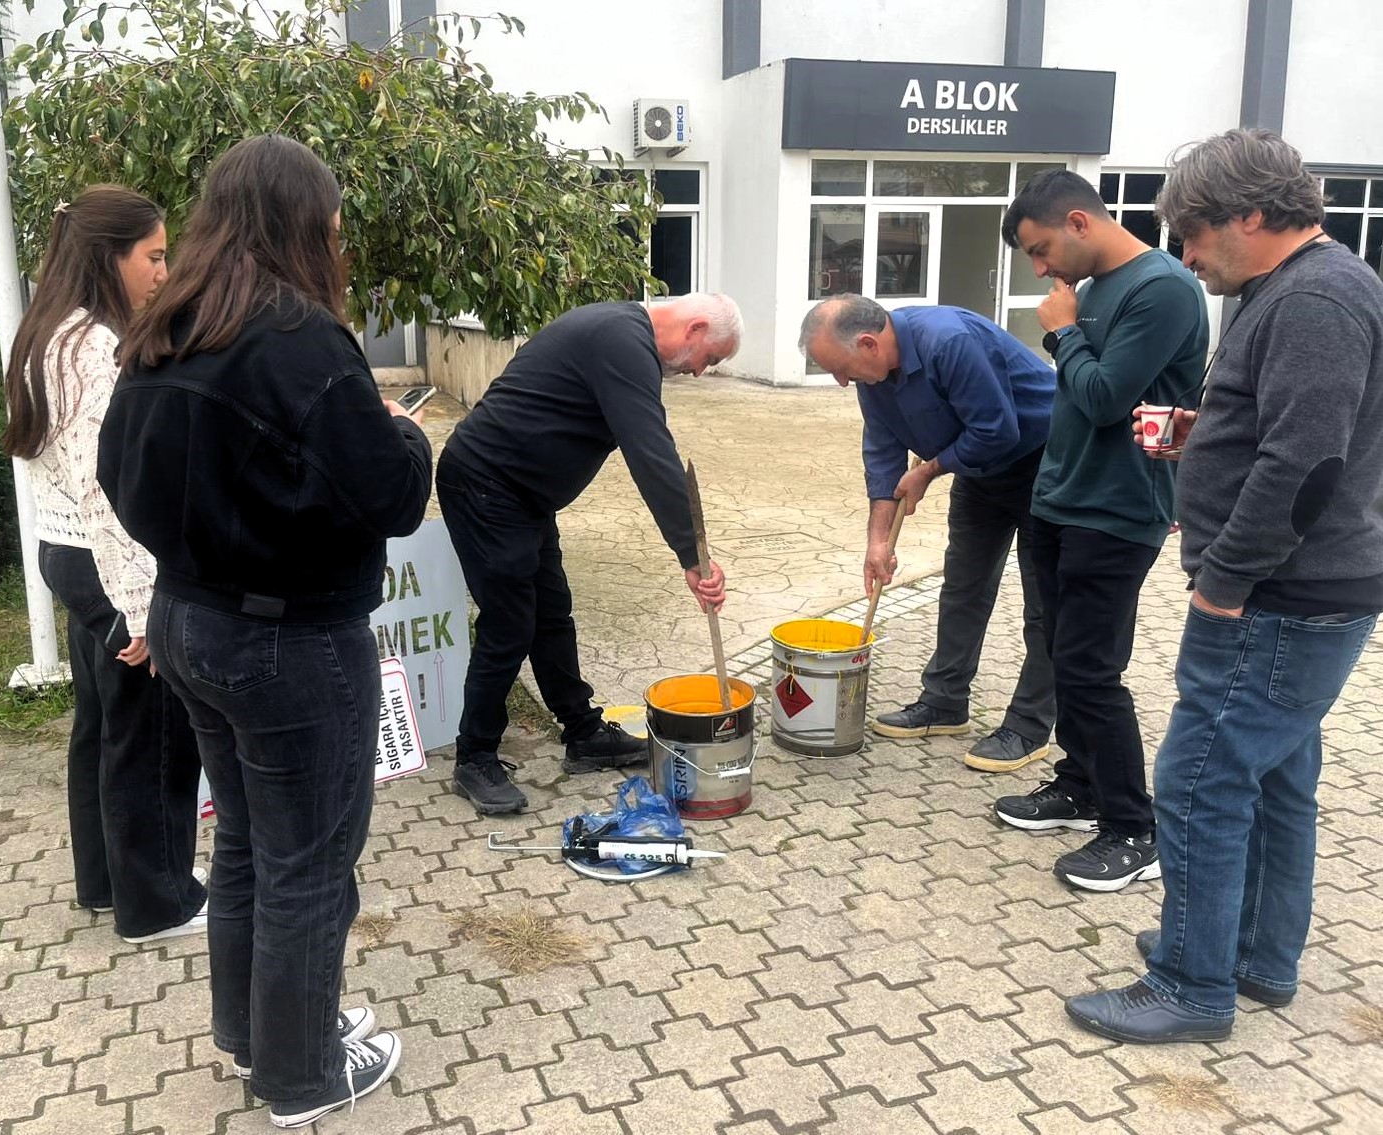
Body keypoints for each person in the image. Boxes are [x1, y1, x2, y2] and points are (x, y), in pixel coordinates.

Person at [97, 136, 432, 1128]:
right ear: (301, 223)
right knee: (310, 862)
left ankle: (251, 1031)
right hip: (290, 644)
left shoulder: (168, 323)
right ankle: (301, 1072)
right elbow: (393, 493)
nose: (337, 241)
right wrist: (401, 427)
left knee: (246, 840)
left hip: (189, 621)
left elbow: (116, 472)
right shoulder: (302, 339)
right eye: (332, 223)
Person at [1067, 128, 1383, 1043]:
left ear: (1251, 213)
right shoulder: (1298, 289)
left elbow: (1306, 462)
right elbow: (1290, 428)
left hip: (1278, 597)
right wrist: (1204, 430)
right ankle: (1252, 955)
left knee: (1200, 778)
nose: (1188, 256)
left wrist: (1223, 584)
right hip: (1306, 590)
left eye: (1195, 234)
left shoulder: (1316, 297)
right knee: (1276, 775)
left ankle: (1190, 986)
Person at [0, 185, 208, 944]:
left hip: (66, 552)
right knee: (151, 732)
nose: (165, 269)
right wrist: (142, 606)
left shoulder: (45, 332)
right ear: (108, 255)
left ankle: (104, 882)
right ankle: (157, 902)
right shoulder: (91, 347)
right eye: (153, 256)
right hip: (103, 560)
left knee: (99, 725)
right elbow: (107, 487)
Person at [437, 294, 737, 815]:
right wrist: (693, 554)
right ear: (695, 328)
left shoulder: (623, 335)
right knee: (510, 623)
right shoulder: (621, 340)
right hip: (486, 485)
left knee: (553, 613)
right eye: (708, 358)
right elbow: (650, 450)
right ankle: (475, 757)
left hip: (523, 495)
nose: (700, 372)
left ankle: (583, 734)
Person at [995, 170, 1208, 891]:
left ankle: (1132, 827)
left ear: (1080, 221)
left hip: (1118, 508)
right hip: (1063, 497)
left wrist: (1061, 335)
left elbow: (1108, 397)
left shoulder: (1164, 289)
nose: (1041, 269)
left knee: (1092, 668)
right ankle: (1080, 784)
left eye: (1041, 248)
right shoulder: (1091, 290)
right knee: (1063, 652)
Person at [798, 295, 1057, 773]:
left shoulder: (948, 341)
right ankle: (944, 702)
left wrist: (930, 471)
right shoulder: (873, 375)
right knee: (963, 586)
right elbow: (882, 453)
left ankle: (1028, 724)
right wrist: (878, 543)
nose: (840, 381)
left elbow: (998, 428)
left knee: (1044, 602)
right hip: (981, 472)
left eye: (841, 369)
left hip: (1046, 462)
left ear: (870, 343)